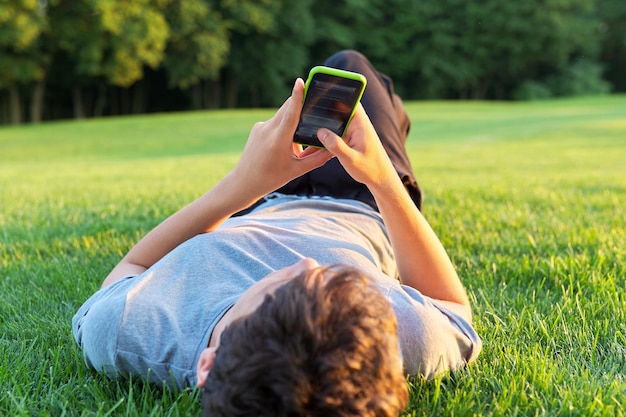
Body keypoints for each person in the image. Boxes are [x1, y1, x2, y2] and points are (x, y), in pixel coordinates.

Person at [72, 50, 481, 417]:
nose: (306, 265)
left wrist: (244, 183)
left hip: (253, 198)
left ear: (206, 364)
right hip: (360, 200)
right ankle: (393, 113)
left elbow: (134, 264)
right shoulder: (369, 343)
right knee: (352, 68)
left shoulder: (126, 331)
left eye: (278, 288)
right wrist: (384, 180)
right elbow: (451, 307)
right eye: (334, 281)